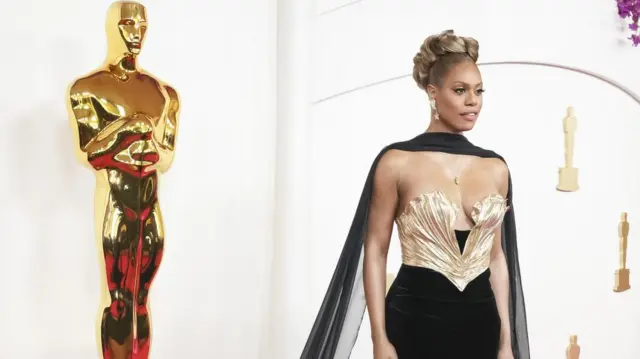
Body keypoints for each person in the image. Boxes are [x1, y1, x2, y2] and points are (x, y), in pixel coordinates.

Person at [300, 30, 530, 359]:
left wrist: (506, 342)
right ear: (432, 93)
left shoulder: (496, 168)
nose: (472, 101)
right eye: (460, 90)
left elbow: (496, 258)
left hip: (481, 325)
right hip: (413, 323)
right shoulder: (397, 162)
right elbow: (376, 250)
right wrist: (380, 338)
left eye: (478, 91)